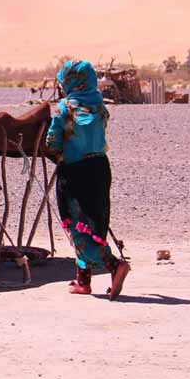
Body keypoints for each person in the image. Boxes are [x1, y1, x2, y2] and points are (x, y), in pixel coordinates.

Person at [46, 59, 130, 299]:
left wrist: (59, 149)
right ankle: (83, 281)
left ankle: (114, 264)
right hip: (100, 168)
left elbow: (52, 142)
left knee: (77, 223)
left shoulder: (65, 107)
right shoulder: (100, 105)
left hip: (75, 171)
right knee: (93, 222)